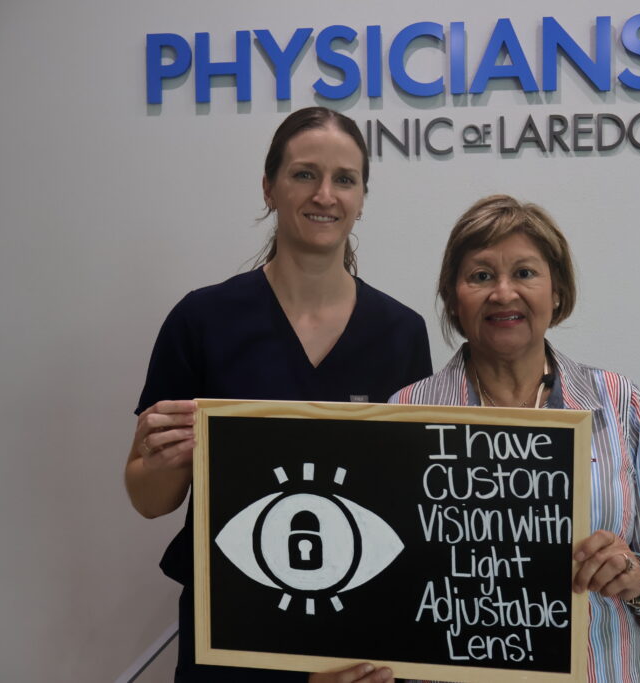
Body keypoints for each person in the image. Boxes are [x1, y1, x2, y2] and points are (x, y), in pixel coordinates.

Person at [126, 107, 432, 683]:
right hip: (232, 635)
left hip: (354, 625)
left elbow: (405, 501)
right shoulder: (201, 320)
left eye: (345, 178)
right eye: (303, 174)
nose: (325, 193)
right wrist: (167, 457)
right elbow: (148, 499)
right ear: (269, 187)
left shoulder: (402, 333)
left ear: (363, 196)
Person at [390, 195, 640, 681]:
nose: (503, 293)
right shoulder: (406, 414)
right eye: (480, 276)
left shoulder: (617, 402)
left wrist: (638, 577)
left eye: (525, 273)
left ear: (556, 291)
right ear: (453, 298)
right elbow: (385, 583)